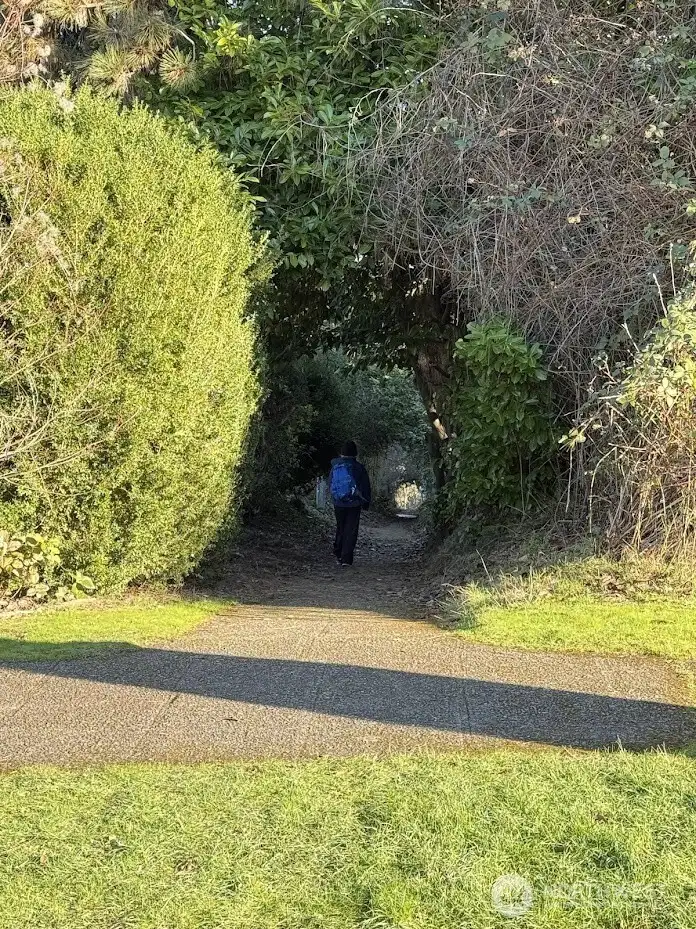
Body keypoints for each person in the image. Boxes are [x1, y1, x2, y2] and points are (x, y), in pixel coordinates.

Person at [329, 440, 371, 566]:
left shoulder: (335, 465)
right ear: (355, 453)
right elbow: (365, 486)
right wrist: (366, 502)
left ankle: (338, 552)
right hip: (354, 503)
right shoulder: (358, 467)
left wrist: (334, 497)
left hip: (338, 502)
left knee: (340, 527)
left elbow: (330, 482)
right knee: (351, 529)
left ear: (341, 452)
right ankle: (346, 558)